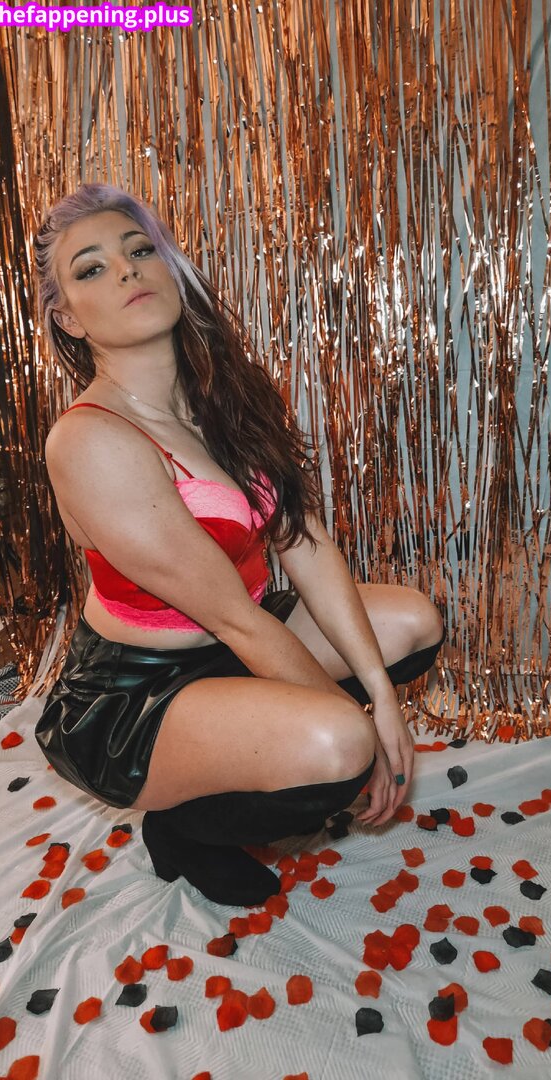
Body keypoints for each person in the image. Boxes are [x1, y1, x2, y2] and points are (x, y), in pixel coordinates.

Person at [32, 184, 446, 907]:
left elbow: (303, 542)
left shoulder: (218, 396)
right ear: (67, 317)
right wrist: (367, 735)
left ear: (169, 268)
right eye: (91, 268)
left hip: (233, 639)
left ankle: (259, 753)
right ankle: (184, 828)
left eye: (140, 250)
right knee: (339, 745)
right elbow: (236, 619)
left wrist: (384, 697)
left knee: (412, 623)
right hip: (135, 697)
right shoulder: (90, 440)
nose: (127, 270)